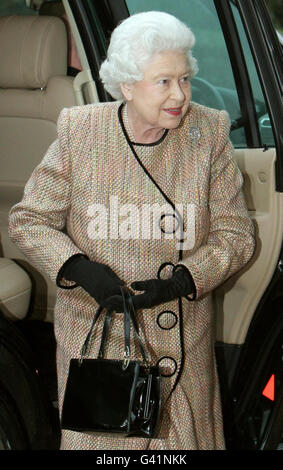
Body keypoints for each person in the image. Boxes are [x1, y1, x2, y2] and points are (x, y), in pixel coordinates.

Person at [8, 11, 255, 450]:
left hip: (181, 340)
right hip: (97, 341)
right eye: (163, 81)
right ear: (126, 85)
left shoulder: (208, 132)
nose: (179, 94)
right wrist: (79, 269)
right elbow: (30, 219)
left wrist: (183, 280)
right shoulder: (81, 132)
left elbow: (236, 236)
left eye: (185, 78)